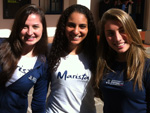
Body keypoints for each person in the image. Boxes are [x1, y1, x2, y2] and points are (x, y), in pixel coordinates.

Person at [95, 8, 150, 113]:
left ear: (131, 31)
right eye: (110, 33)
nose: (118, 38)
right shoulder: (104, 64)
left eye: (122, 30)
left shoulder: (146, 67)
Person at [46, 4, 97, 113]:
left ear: (89, 29)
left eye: (82, 26)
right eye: (71, 25)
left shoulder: (95, 54)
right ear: (63, 26)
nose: (76, 31)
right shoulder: (50, 50)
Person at [0, 4, 49, 113]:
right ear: (17, 28)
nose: (30, 32)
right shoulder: (2, 46)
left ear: (43, 29)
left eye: (35, 26)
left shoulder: (42, 64)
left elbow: (39, 103)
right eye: (24, 26)